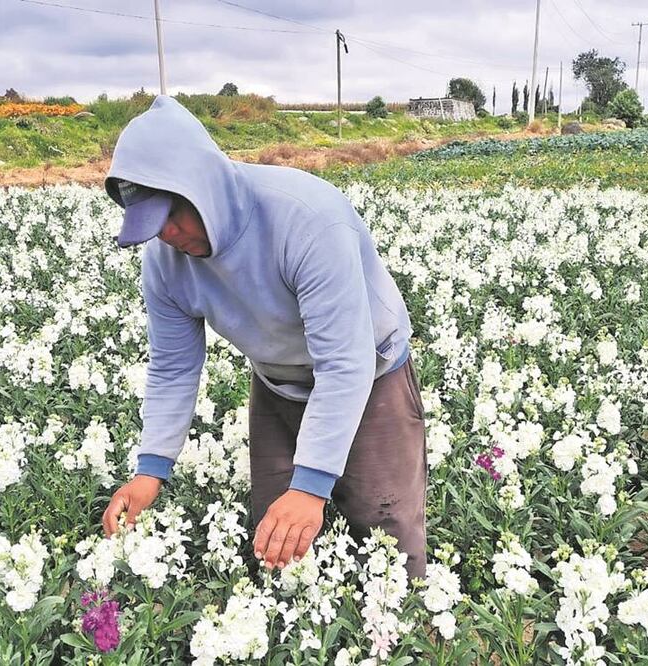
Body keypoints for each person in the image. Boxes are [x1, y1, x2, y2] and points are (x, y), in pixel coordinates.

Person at [99, 95, 427, 579]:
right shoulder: (164, 263)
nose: (167, 235)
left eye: (171, 216)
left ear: (202, 189)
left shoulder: (306, 219)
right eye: (151, 227)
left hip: (370, 371)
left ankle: (404, 627)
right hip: (277, 381)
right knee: (276, 540)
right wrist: (151, 469)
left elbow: (344, 362)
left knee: (384, 526)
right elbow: (172, 367)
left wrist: (312, 487)